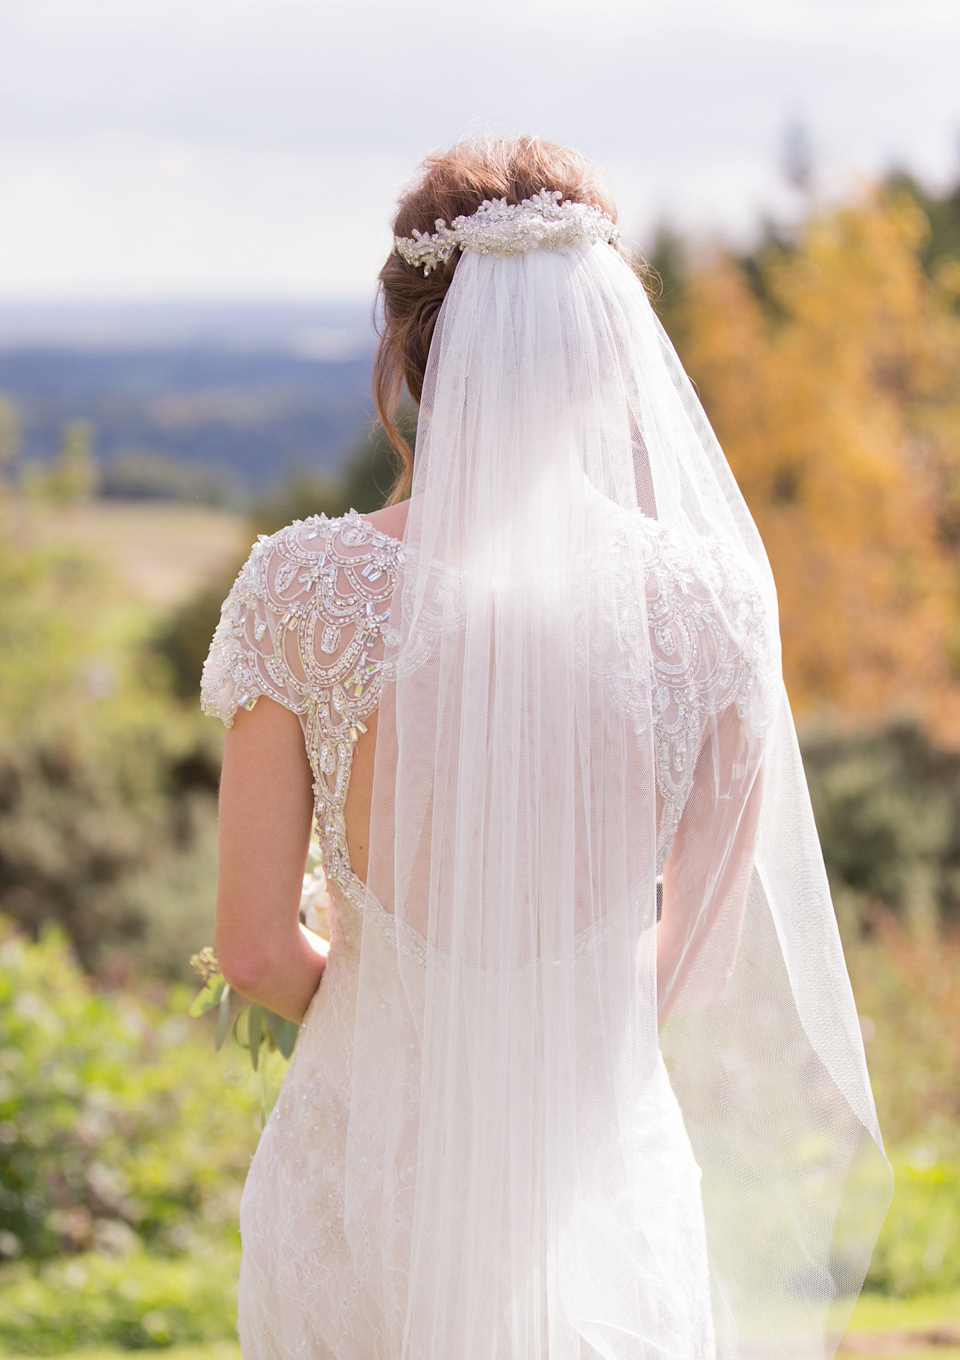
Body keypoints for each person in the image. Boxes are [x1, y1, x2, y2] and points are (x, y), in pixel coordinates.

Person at [202, 137, 891, 1360]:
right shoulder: (710, 605)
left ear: (411, 350)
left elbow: (255, 946)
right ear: (601, 354)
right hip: (597, 1182)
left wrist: (400, 1017)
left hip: (364, 1177)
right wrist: (542, 1028)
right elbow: (699, 960)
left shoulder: (302, 589)